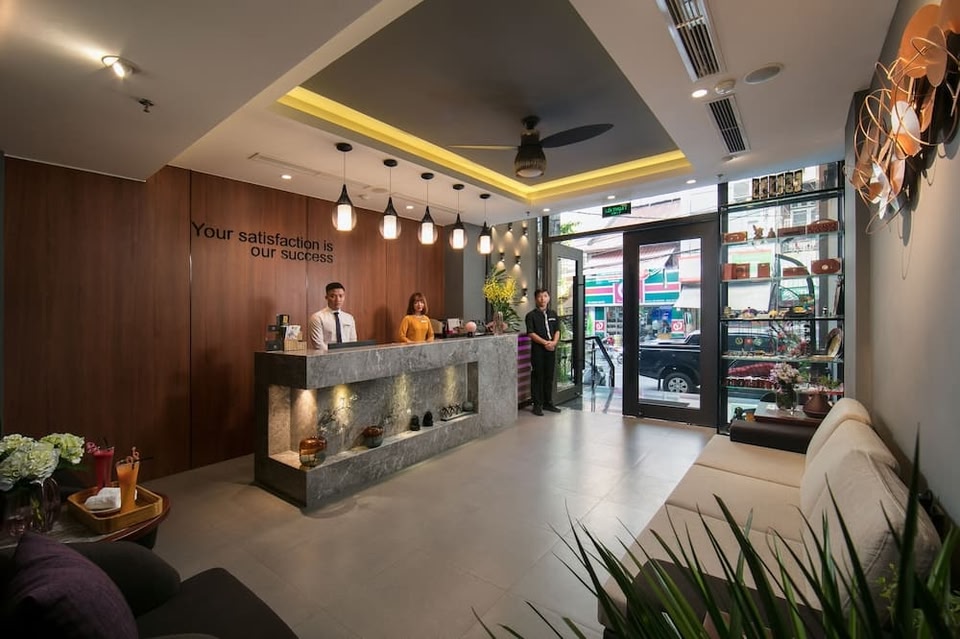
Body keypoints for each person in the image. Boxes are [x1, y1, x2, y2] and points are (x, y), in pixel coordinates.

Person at [525, 288, 561, 416]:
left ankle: (548, 402)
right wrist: (545, 343)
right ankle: (537, 405)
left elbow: (557, 330)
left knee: (549, 376)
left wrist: (554, 342)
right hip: (538, 350)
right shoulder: (531, 315)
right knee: (538, 376)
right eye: (540, 296)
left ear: (548, 298)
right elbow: (531, 333)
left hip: (551, 349)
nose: (543, 299)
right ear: (536, 299)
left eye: (545, 296)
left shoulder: (553, 314)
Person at [308, 282, 357, 351]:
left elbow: (353, 341)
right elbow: (318, 344)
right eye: (333, 296)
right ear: (326, 297)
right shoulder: (317, 317)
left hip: (347, 355)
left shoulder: (349, 318)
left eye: (341, 296)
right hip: (326, 356)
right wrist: (335, 355)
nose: (338, 300)